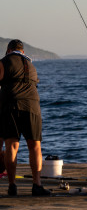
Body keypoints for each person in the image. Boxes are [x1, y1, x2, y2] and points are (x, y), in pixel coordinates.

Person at [0, 39, 50, 196]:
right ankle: (37, 184)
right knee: (35, 146)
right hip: (32, 106)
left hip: (10, 105)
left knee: (12, 146)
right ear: (22, 51)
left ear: (8, 50)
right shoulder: (31, 65)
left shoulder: (4, 61)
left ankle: (12, 185)